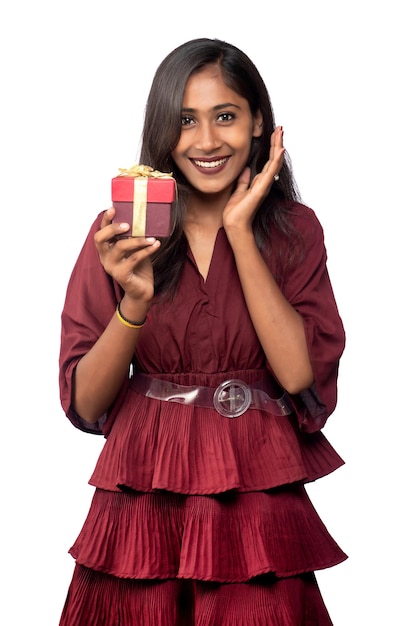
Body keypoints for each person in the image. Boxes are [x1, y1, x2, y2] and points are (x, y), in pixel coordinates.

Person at [58, 37, 347, 625]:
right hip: (145, 500)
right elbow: (85, 403)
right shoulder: (120, 232)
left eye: (226, 116)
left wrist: (241, 232)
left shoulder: (294, 231)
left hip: (256, 498)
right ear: (163, 128)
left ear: (258, 121)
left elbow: (298, 375)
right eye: (186, 120)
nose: (207, 141)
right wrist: (133, 304)